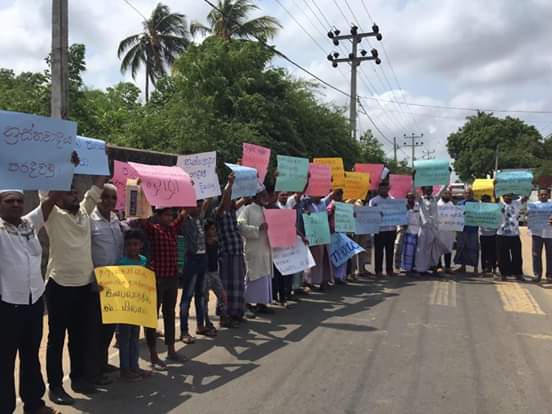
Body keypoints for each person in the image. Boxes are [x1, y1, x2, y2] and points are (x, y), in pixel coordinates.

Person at [43, 176, 107, 405]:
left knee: (79, 336)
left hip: (83, 286)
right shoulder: (52, 215)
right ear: (58, 197)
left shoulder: (83, 214)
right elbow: (44, 193)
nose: (75, 195)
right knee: (56, 338)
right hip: (59, 285)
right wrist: (60, 167)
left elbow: (94, 191)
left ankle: (78, 379)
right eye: (68, 192)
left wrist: (100, 172)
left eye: (74, 192)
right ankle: (55, 386)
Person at [0, 189, 61, 414]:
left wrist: (66, 167)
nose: (15, 204)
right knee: (4, 362)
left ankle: (34, 404)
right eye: (9, 201)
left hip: (34, 302)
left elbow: (52, 199)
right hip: (7, 305)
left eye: (19, 201)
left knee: (30, 355)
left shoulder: (29, 224)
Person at [132, 207, 187, 368]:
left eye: (171, 215)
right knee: (151, 316)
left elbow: (184, 213)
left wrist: (190, 190)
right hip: (156, 280)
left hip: (172, 278)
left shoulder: (172, 229)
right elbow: (142, 220)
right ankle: (154, 354)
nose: (170, 218)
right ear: (158, 216)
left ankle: (171, 350)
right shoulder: (153, 230)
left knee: (170, 313)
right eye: (166, 215)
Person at [90, 183, 124, 378]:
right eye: (106, 197)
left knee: (109, 326)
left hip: (115, 283)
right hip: (97, 285)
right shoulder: (90, 220)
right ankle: (93, 370)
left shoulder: (115, 219)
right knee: (95, 329)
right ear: (98, 197)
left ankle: (103, 363)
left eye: (113, 197)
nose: (110, 201)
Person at [115, 229, 152, 382]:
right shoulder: (122, 263)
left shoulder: (144, 261)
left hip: (138, 306)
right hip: (125, 306)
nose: (132, 248)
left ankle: (134, 366)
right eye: (129, 245)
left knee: (135, 337)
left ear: (141, 245)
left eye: (135, 244)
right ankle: (125, 369)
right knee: (124, 338)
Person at [180, 200, 215, 344]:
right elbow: (182, 215)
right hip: (192, 260)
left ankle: (200, 325)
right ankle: (184, 331)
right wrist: (188, 197)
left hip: (202, 259)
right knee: (187, 296)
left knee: (200, 295)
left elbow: (208, 201)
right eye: (196, 204)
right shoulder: (185, 220)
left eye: (200, 204)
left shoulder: (199, 220)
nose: (199, 206)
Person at [216, 174, 247, 326]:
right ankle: (225, 316)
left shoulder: (232, 211)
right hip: (226, 254)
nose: (233, 200)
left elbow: (246, 198)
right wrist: (229, 184)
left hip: (237, 253)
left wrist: (249, 178)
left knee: (238, 285)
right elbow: (225, 201)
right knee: (226, 287)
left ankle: (236, 313)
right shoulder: (219, 212)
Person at [238, 185, 274, 314]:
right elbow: (240, 226)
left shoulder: (266, 210)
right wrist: (257, 228)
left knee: (264, 277)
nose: (265, 197)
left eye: (266, 195)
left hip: (265, 249)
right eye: (262, 195)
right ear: (256, 196)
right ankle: (247, 303)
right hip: (254, 249)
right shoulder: (247, 209)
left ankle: (261, 303)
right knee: (253, 276)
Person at [415, 184, 448, 275]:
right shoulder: (420, 199)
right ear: (423, 190)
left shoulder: (434, 198)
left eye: (430, 189)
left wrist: (448, 176)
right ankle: (420, 269)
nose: (429, 190)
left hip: (433, 228)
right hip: (424, 228)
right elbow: (413, 190)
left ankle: (432, 267)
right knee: (421, 249)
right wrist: (414, 179)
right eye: (427, 189)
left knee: (432, 249)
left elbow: (443, 189)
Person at [203, 220, 229, 329]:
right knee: (204, 299)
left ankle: (223, 318)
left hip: (214, 272)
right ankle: (206, 320)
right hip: (205, 273)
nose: (214, 231)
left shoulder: (216, 242)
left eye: (215, 229)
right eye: (212, 229)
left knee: (222, 295)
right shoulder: (203, 242)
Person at [496, 192, 527, 281]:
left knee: (517, 255)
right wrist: (495, 186)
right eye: (506, 195)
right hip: (501, 234)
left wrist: (528, 186)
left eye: (509, 195)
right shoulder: (500, 204)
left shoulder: (516, 203)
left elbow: (525, 197)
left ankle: (518, 274)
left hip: (514, 234)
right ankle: (504, 274)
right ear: (503, 196)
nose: (508, 197)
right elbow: (496, 196)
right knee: (502, 256)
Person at [369, 182, 397, 277]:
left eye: (385, 188)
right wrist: (375, 213)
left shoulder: (393, 200)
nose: (384, 190)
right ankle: (378, 271)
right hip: (379, 230)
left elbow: (398, 213)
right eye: (382, 189)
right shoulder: (373, 201)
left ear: (388, 189)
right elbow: (370, 214)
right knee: (378, 251)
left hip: (391, 229)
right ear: (378, 189)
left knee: (390, 250)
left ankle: (390, 270)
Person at [454, 188, 479, 274]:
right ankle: (462, 266)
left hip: (473, 229)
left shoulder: (477, 204)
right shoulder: (459, 204)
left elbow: (480, 215)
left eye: (470, 193)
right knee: (462, 248)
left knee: (474, 248)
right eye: (466, 193)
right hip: (462, 229)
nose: (468, 194)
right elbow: (456, 216)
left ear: (472, 194)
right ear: (464, 194)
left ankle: (475, 268)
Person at [327, 189, 348, 284]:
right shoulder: (331, 204)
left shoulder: (344, 205)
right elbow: (326, 214)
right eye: (337, 195)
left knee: (343, 255)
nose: (339, 197)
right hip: (333, 233)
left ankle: (340, 276)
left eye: (341, 195)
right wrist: (331, 211)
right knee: (333, 255)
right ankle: (333, 277)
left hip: (343, 232)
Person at [531, 189, 552, 282]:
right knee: (536, 255)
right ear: (538, 195)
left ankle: (550, 275)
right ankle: (537, 274)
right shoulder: (534, 205)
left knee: (550, 255)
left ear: (549, 195)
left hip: (550, 234)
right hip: (537, 234)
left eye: (545, 194)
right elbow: (530, 217)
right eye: (541, 194)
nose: (543, 196)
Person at [400, 192, 421, 275]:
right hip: (407, 231)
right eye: (409, 197)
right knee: (407, 251)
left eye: (412, 197)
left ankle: (414, 267)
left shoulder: (418, 206)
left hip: (417, 231)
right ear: (406, 198)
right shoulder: (403, 206)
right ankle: (406, 268)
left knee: (416, 251)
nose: (411, 199)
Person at [479, 194, 498, 276]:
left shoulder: (494, 208)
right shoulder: (479, 209)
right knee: (484, 252)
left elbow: (497, 199)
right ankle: (484, 269)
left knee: (493, 252)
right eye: (484, 201)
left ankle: (493, 268)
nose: (486, 202)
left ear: (490, 201)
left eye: (487, 201)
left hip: (493, 233)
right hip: (483, 234)